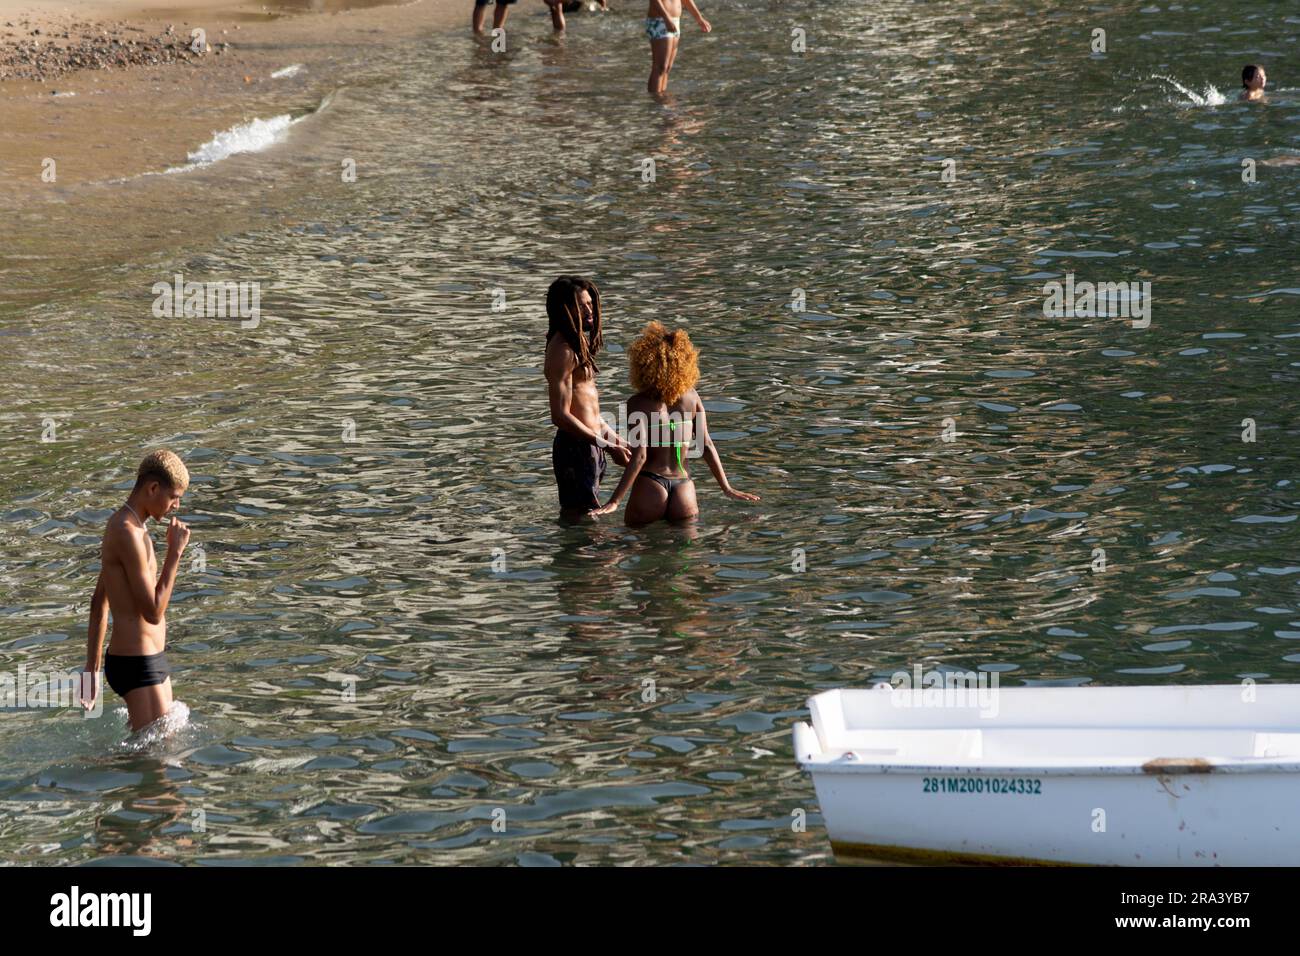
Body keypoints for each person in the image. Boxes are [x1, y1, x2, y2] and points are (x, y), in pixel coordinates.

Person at [593, 321, 758, 524]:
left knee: (636, 548)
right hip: (684, 488)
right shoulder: (692, 398)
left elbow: (640, 456)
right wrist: (727, 488)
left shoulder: (638, 403)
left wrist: (615, 501)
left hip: (651, 485)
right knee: (685, 552)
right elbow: (706, 445)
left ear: (644, 363)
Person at [80, 449, 191, 732]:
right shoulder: (126, 531)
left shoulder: (131, 528)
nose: (176, 506)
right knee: (157, 760)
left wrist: (90, 673)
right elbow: (153, 612)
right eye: (174, 497)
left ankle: (101, 769)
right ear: (153, 488)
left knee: (160, 748)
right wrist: (174, 555)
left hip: (148, 660)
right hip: (136, 663)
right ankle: (91, 770)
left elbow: (98, 604)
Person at [544, 276, 631, 518]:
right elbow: (560, 416)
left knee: (589, 518)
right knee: (581, 521)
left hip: (591, 445)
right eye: (581, 306)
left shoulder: (577, 343)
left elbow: (588, 412)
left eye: (590, 304)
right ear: (565, 310)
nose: (589, 311)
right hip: (575, 448)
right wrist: (607, 445)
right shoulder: (562, 350)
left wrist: (616, 441)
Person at [646, 0, 710, 95]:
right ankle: (655, 102)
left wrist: (699, 18)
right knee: (660, 67)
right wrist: (666, 18)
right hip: (660, 20)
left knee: (667, 68)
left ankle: (661, 99)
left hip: (675, 20)